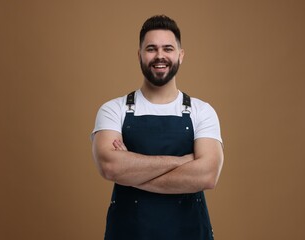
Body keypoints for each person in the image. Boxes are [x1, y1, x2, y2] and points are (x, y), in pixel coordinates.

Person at [91, 15, 224, 240]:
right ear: (140, 55)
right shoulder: (113, 109)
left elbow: (208, 175)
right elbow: (110, 167)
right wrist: (184, 162)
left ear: (180, 55)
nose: (159, 56)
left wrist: (131, 171)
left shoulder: (203, 111)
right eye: (151, 48)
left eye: (168, 48)